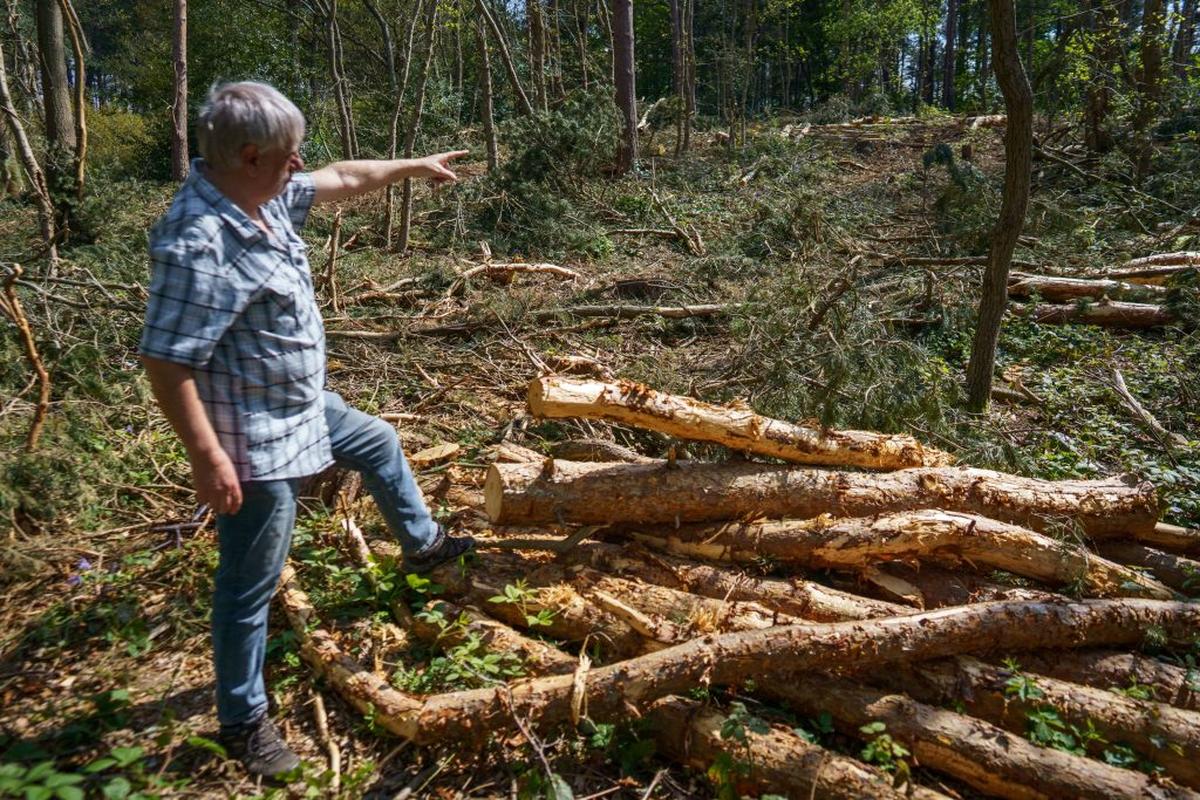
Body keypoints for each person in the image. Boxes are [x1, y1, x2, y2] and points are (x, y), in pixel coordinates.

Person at [139, 81, 474, 778]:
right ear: (253, 154)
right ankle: (241, 720)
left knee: (376, 440)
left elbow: (346, 176)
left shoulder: (262, 196)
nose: (302, 167)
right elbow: (167, 362)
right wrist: (208, 459)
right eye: (290, 155)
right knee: (248, 582)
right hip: (248, 434)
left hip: (299, 402)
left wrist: (413, 166)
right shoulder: (200, 240)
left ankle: (424, 549)